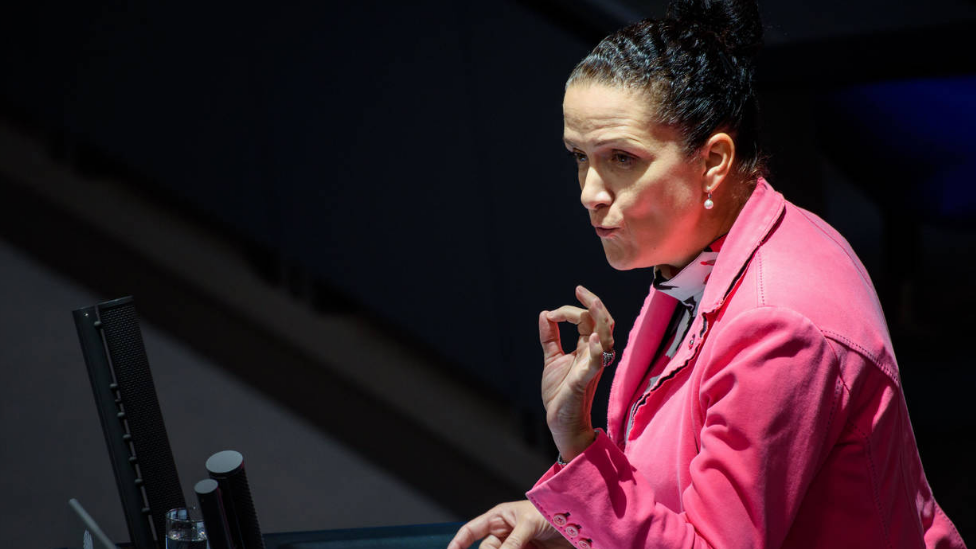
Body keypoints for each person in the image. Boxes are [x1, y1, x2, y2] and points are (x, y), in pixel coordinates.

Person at [447, 1, 967, 548]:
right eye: (580, 155)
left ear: (714, 160)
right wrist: (568, 512)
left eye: (622, 158)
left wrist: (578, 446)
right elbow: (679, 480)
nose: (589, 193)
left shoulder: (776, 327)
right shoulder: (710, 250)